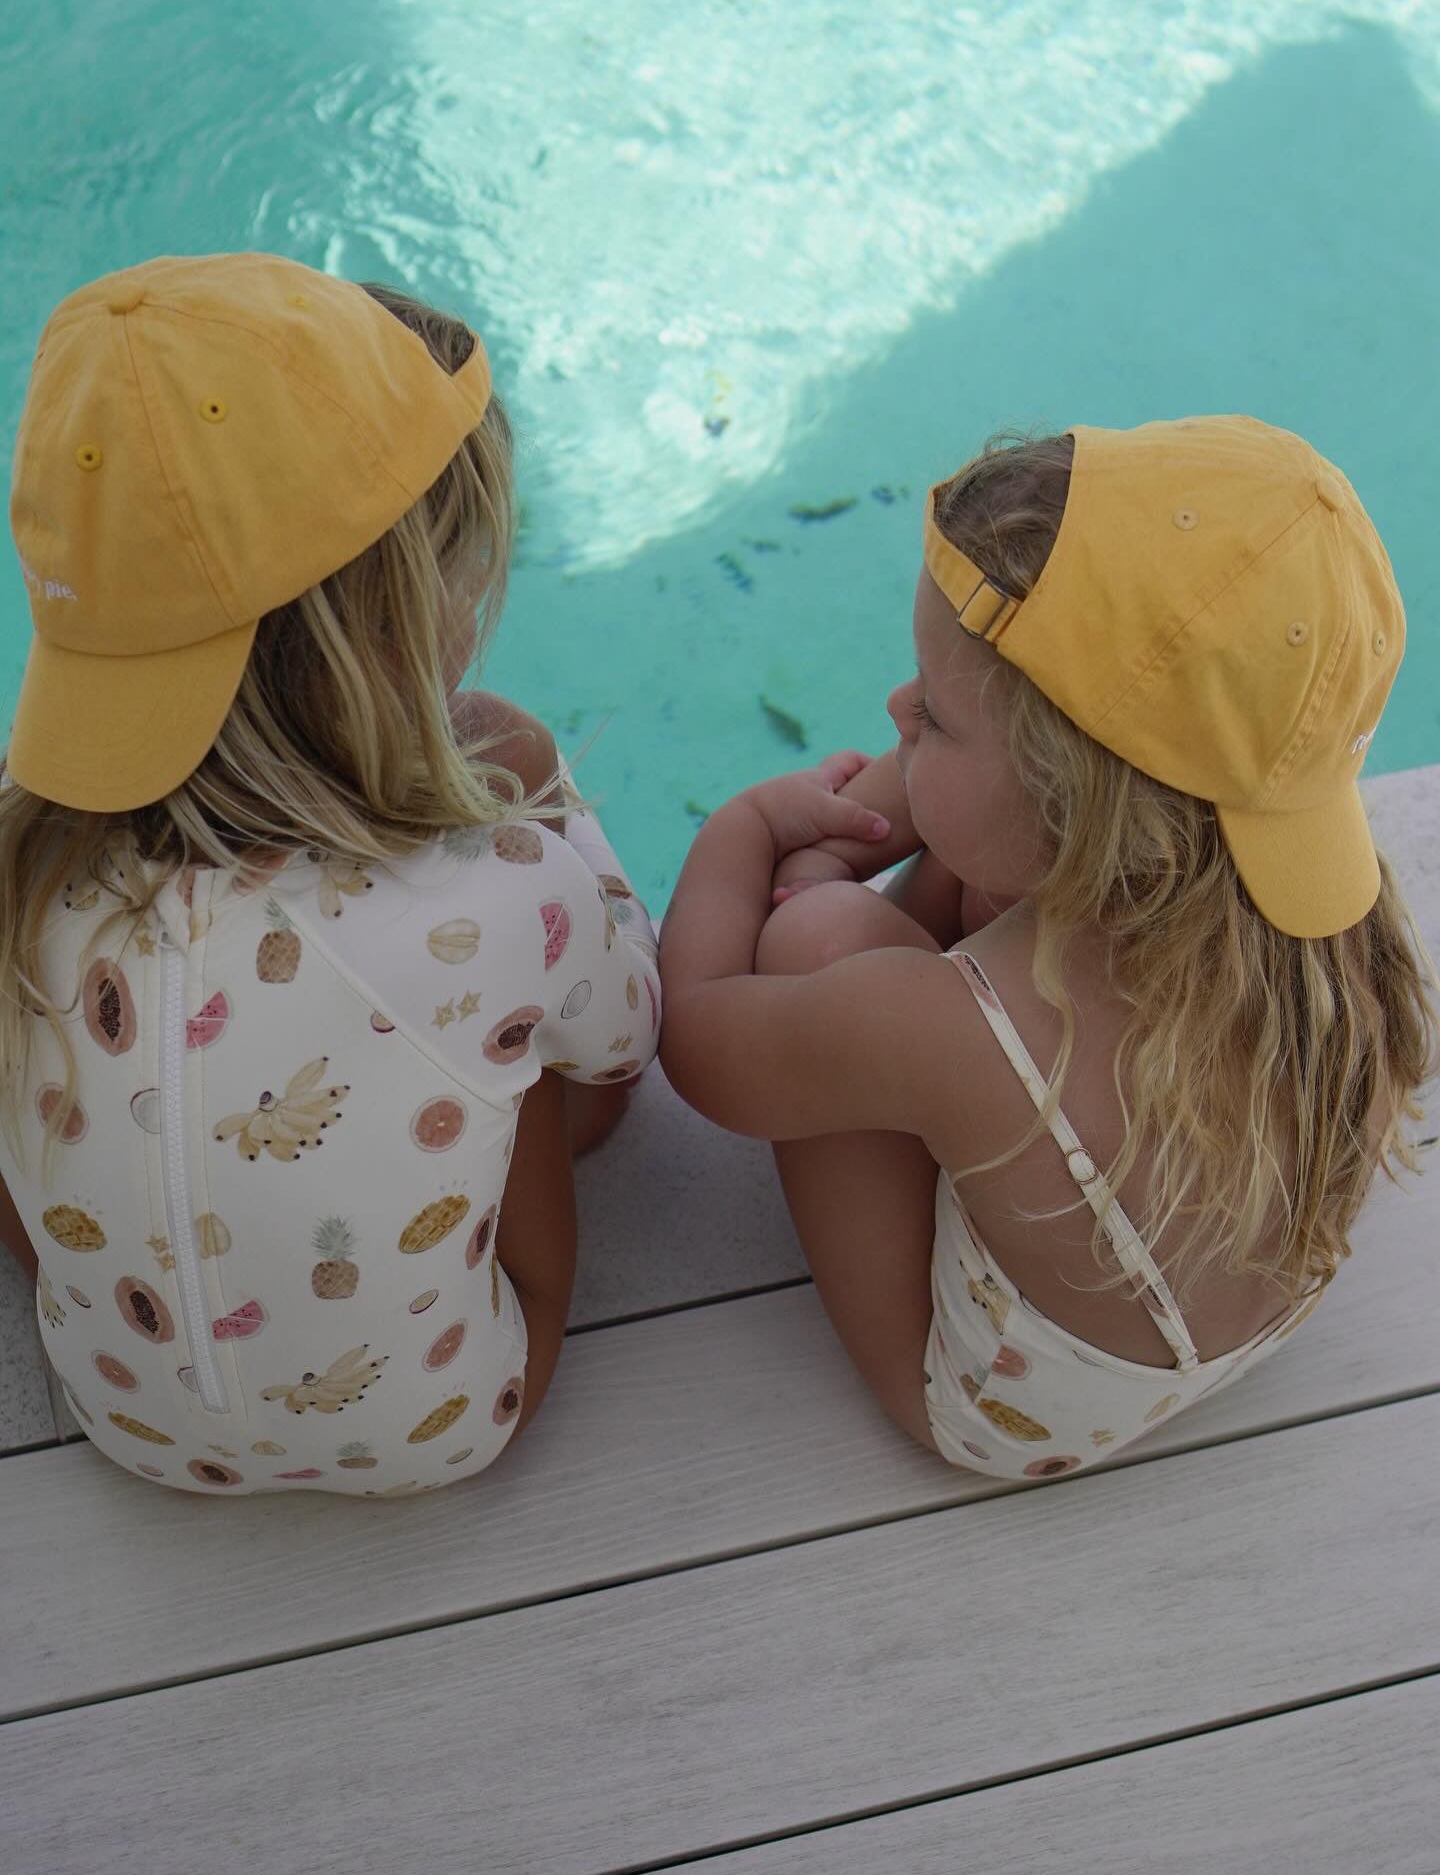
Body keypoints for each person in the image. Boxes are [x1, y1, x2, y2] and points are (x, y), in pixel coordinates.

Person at [660, 417, 1438, 1480]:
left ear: (1069, 800)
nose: (895, 709)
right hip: (1246, 1313)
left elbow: (702, 1049)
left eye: (929, 712)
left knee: (815, 932)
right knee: (955, 871)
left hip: (1017, 1411)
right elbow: (1000, 811)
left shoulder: (962, 1029)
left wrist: (746, 831)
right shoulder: (1286, 891)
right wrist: (937, 769)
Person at [0, 254, 659, 1497]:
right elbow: (626, 1043)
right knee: (546, 1062)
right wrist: (547, 793)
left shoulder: (15, 851)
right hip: (449, 1425)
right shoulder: (499, 884)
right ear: (400, 620)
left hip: (119, 1422)